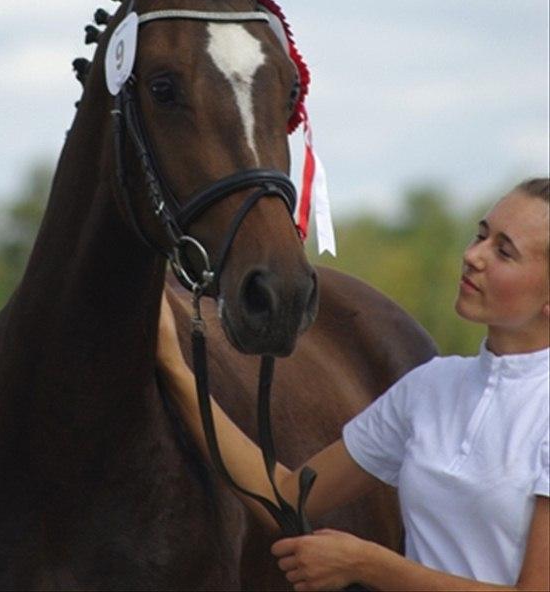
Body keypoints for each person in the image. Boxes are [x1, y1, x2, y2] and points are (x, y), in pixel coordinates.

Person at [157, 178, 550, 592]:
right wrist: (176, 369)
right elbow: (288, 496)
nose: (473, 256)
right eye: (481, 235)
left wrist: (369, 565)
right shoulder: (430, 387)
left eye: (504, 252)